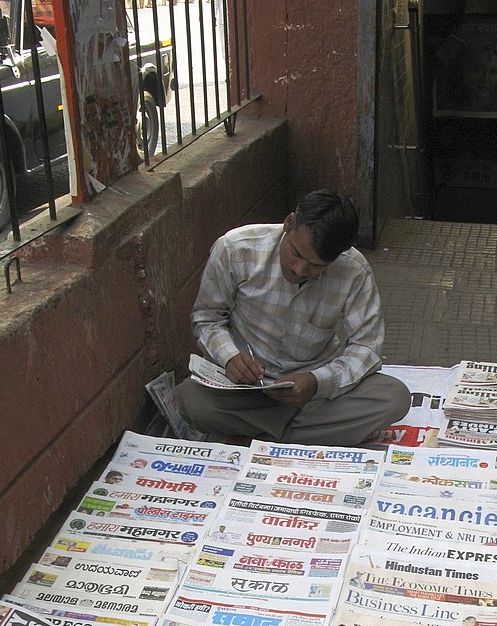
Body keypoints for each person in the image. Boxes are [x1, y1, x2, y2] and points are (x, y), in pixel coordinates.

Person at [176, 190, 411, 445]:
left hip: (312, 395)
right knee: (191, 399)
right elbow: (207, 317)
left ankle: (255, 436)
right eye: (296, 254)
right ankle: (302, 436)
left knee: (394, 397)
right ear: (289, 223)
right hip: (246, 391)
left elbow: (367, 347)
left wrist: (316, 382)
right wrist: (229, 356)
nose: (300, 270)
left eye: (316, 266)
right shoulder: (235, 248)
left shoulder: (354, 270)